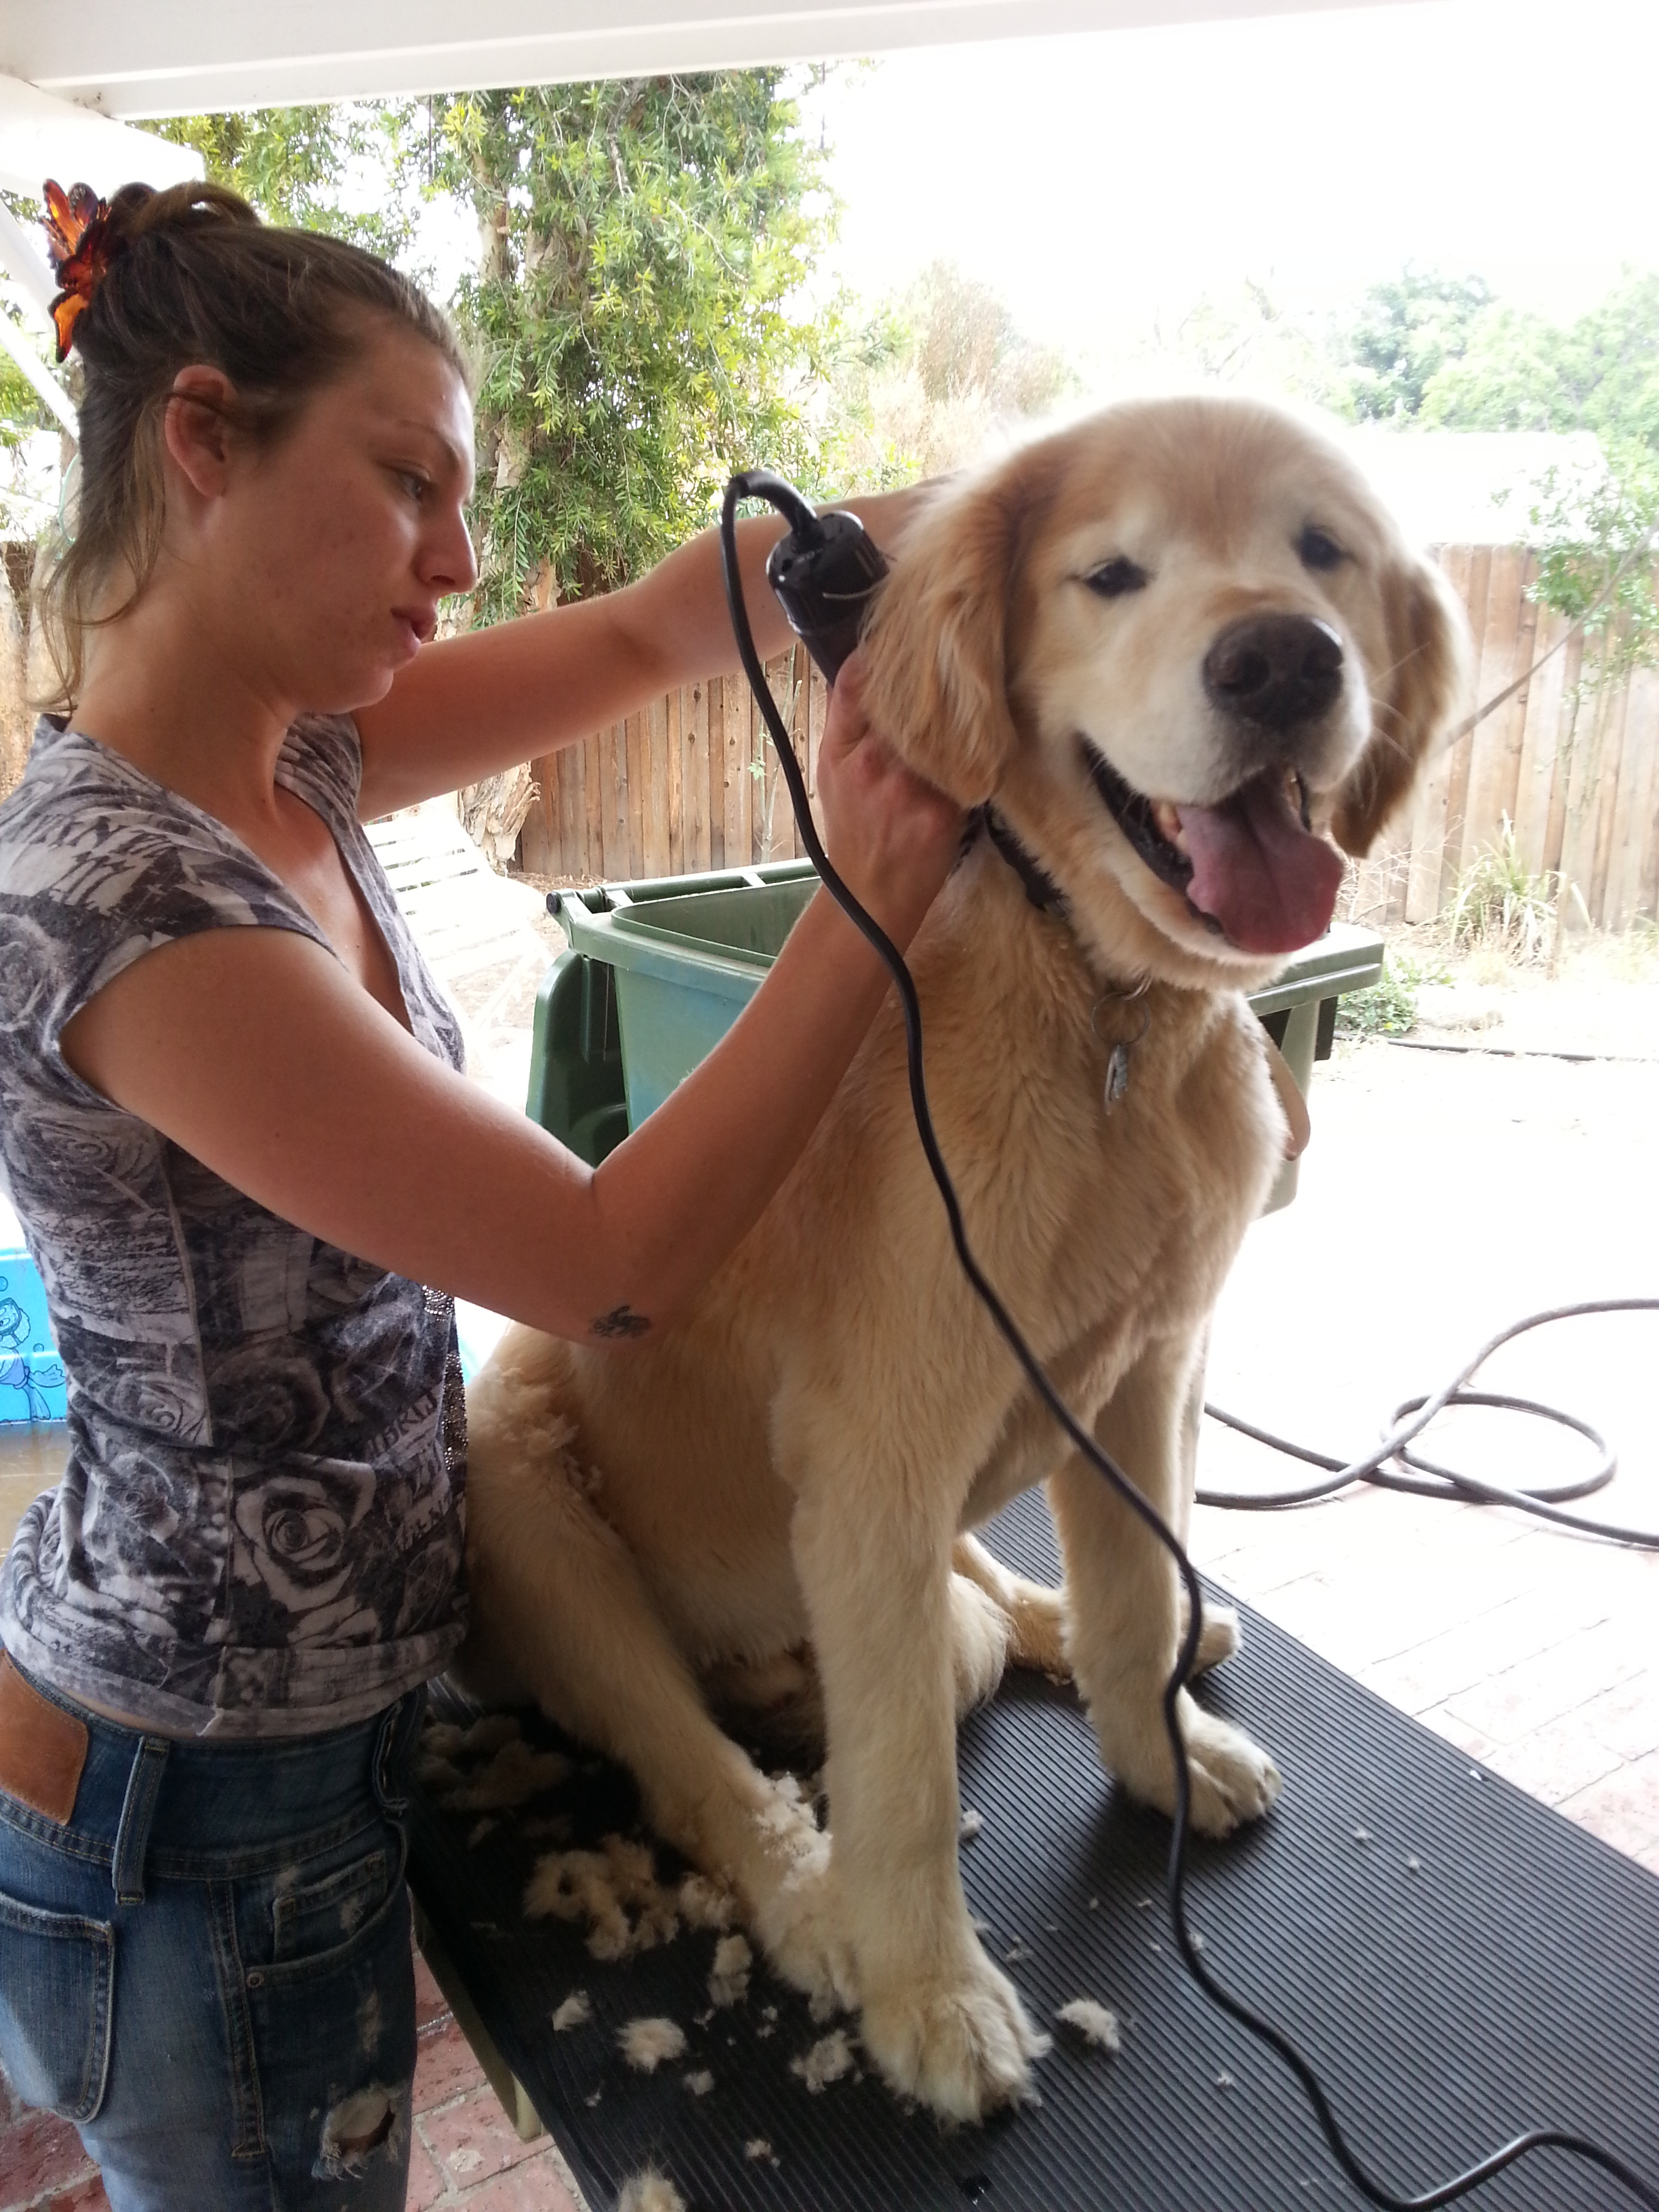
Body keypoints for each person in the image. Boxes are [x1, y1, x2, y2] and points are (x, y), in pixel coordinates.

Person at [0, 180, 961, 2211]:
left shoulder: (297, 760)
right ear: (201, 441)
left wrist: (1013, 518)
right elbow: (606, 1268)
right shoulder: (126, 903)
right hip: (191, 1794)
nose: (458, 560)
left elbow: (643, 630)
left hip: (299, 1728)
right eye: (409, 484)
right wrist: (862, 903)